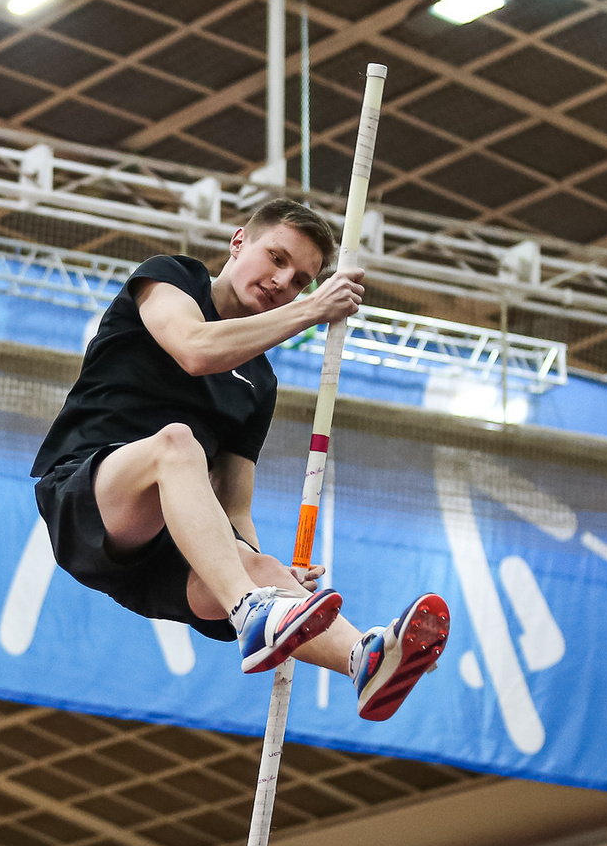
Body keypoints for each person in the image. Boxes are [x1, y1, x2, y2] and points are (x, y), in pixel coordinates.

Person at [30, 197, 448, 720]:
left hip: (161, 556)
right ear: (238, 242)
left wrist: (266, 576)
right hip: (89, 500)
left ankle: (366, 660)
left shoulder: (260, 382)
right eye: (276, 258)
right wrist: (313, 310)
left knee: (266, 567)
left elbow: (233, 507)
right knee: (176, 445)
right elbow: (194, 348)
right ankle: (250, 610)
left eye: (300, 281)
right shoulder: (171, 278)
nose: (283, 282)